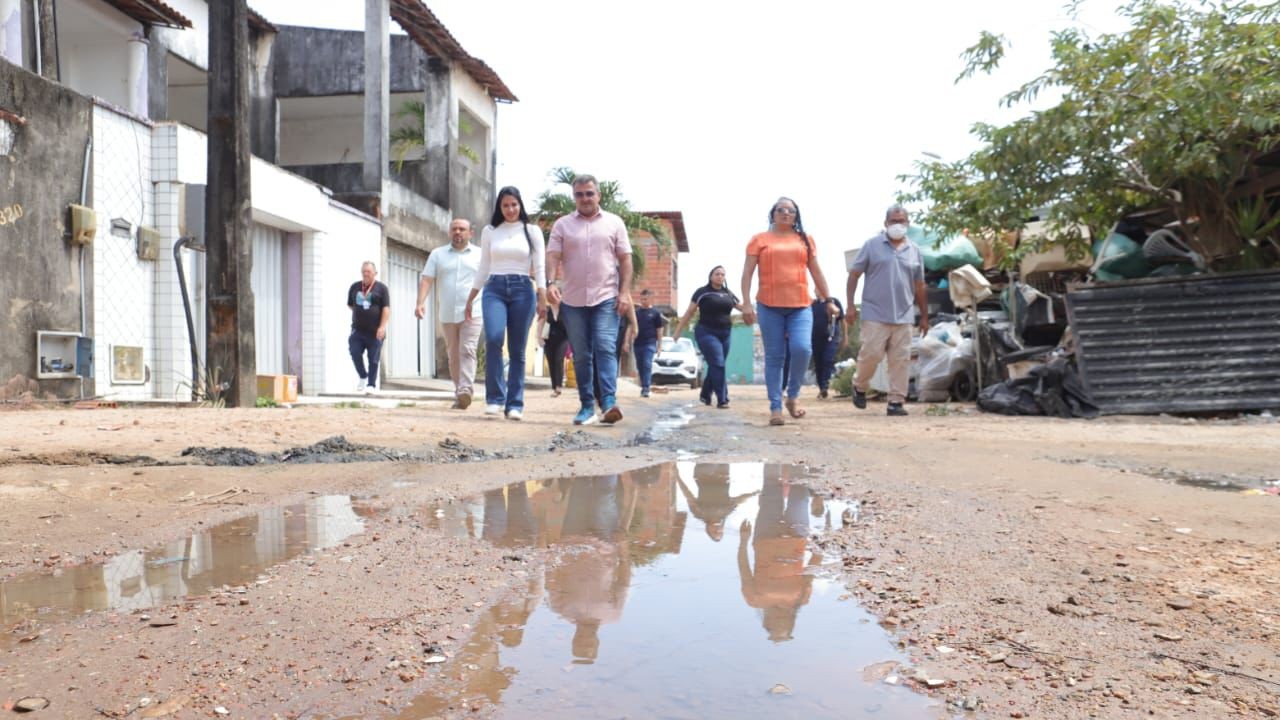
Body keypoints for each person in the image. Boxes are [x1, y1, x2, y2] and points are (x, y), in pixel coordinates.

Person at [740, 197, 840, 426]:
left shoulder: (805, 240)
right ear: (772, 213)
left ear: (797, 215)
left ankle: (792, 396)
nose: (786, 213)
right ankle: (775, 407)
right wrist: (746, 303)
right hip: (768, 306)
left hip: (801, 306)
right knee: (775, 357)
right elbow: (747, 273)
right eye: (781, 209)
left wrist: (828, 300)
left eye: (791, 210)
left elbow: (816, 272)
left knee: (802, 349)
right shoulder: (759, 240)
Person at [547, 174, 633, 426]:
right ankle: (586, 406)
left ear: (598, 195)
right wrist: (550, 283)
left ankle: (608, 402)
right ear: (574, 196)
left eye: (589, 193)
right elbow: (552, 256)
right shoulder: (563, 225)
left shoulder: (614, 223)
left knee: (605, 346)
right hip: (572, 301)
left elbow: (626, 260)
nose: (584, 198)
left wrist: (625, 292)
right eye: (579, 194)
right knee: (582, 355)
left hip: (606, 297)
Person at [465, 187, 547, 421]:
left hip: (523, 289)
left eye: (514, 205)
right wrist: (471, 296)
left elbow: (540, 267)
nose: (510, 210)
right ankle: (495, 399)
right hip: (495, 289)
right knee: (493, 339)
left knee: (518, 350)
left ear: (520, 205)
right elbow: (483, 266)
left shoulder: (531, 231)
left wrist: (542, 297)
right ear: (499, 208)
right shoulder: (490, 231)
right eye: (505, 205)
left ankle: (515, 404)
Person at [846, 203, 928, 416]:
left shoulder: (915, 251)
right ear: (886, 223)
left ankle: (896, 401)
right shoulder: (872, 245)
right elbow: (854, 275)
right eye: (894, 221)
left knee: (900, 360)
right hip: (875, 312)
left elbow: (920, 286)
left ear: (907, 224)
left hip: (904, 314)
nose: (898, 225)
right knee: (871, 355)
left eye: (901, 221)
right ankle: (860, 386)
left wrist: (925, 316)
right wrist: (850, 306)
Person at [415, 218, 482, 410]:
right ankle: (459, 391)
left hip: (473, 311)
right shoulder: (438, 254)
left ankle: (465, 390)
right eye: (454, 229)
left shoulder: (480, 255)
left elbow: (489, 279)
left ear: (471, 233)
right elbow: (427, 279)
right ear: (449, 232)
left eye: (462, 229)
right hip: (447, 312)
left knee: (467, 349)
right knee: (453, 355)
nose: (458, 232)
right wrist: (420, 303)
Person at [674, 266, 743, 408]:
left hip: (725, 333)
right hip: (706, 332)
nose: (720, 276)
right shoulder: (702, 292)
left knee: (716, 365)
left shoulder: (728, 293)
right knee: (718, 363)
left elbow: (742, 307)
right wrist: (678, 330)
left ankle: (705, 394)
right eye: (717, 274)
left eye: (723, 274)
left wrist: (757, 306)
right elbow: (689, 312)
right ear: (711, 276)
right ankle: (723, 399)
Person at [347, 261, 390, 394]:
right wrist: (361, 315)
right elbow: (350, 305)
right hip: (358, 330)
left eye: (369, 272)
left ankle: (371, 384)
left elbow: (386, 309)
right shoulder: (354, 287)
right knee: (354, 352)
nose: (366, 274)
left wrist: (382, 327)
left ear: (375, 273)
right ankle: (363, 376)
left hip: (375, 331)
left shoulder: (382, 288)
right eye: (364, 271)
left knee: (373, 358)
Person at [632, 289, 666, 397]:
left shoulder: (655, 313)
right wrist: (628, 340)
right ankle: (643, 385)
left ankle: (646, 388)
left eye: (645, 299)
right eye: (641, 299)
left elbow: (659, 330)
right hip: (637, 343)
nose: (643, 301)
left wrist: (659, 345)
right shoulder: (636, 313)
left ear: (650, 299)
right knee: (640, 366)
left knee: (647, 364)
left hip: (650, 343)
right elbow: (631, 326)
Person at [811, 297, 846, 399]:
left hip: (832, 337)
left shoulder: (834, 302)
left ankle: (825, 386)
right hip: (816, 337)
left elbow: (842, 319)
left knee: (828, 359)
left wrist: (845, 337)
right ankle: (821, 388)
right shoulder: (813, 304)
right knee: (818, 363)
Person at [536, 297, 569, 397]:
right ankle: (554, 386)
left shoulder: (565, 309)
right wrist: (539, 339)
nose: (555, 297)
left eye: (557, 294)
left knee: (559, 359)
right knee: (551, 362)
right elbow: (541, 324)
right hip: (549, 339)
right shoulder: (547, 309)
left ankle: (558, 386)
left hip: (563, 339)